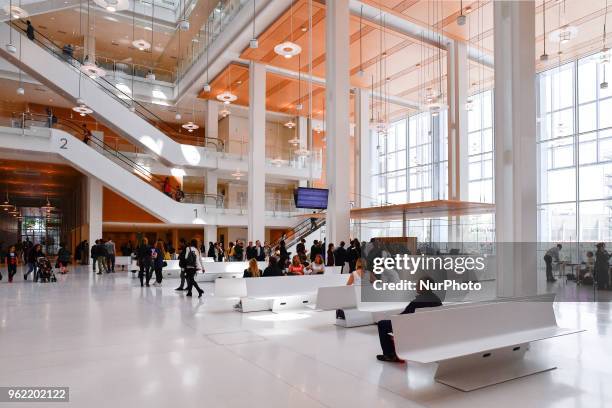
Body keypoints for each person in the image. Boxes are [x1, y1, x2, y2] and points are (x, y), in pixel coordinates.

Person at [375, 277, 442, 363]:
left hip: (414, 328)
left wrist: (393, 317)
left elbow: (403, 317)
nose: (416, 286)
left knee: (382, 324)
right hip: (430, 328)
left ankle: (389, 354)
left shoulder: (417, 302)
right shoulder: (437, 300)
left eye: (418, 284)